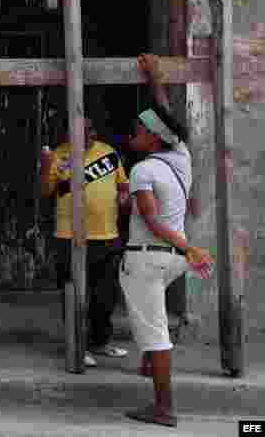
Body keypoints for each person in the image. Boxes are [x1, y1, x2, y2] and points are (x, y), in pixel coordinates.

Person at [121, 54, 214, 428]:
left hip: (150, 257)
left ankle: (163, 408)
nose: (134, 134)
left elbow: (151, 219)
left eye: (140, 131)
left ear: (154, 138)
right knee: (151, 317)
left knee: (156, 333)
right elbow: (165, 113)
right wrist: (155, 78)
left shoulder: (142, 170)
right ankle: (149, 364)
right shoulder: (181, 157)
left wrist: (188, 246)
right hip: (171, 259)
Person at [41, 115, 130, 367]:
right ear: (70, 134)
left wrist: (124, 197)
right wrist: (47, 165)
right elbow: (46, 191)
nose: (88, 136)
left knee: (106, 295)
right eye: (82, 132)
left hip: (106, 235)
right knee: (74, 294)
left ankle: (100, 342)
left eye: (91, 131)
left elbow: (122, 185)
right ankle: (77, 346)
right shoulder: (59, 155)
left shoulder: (108, 153)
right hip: (69, 236)